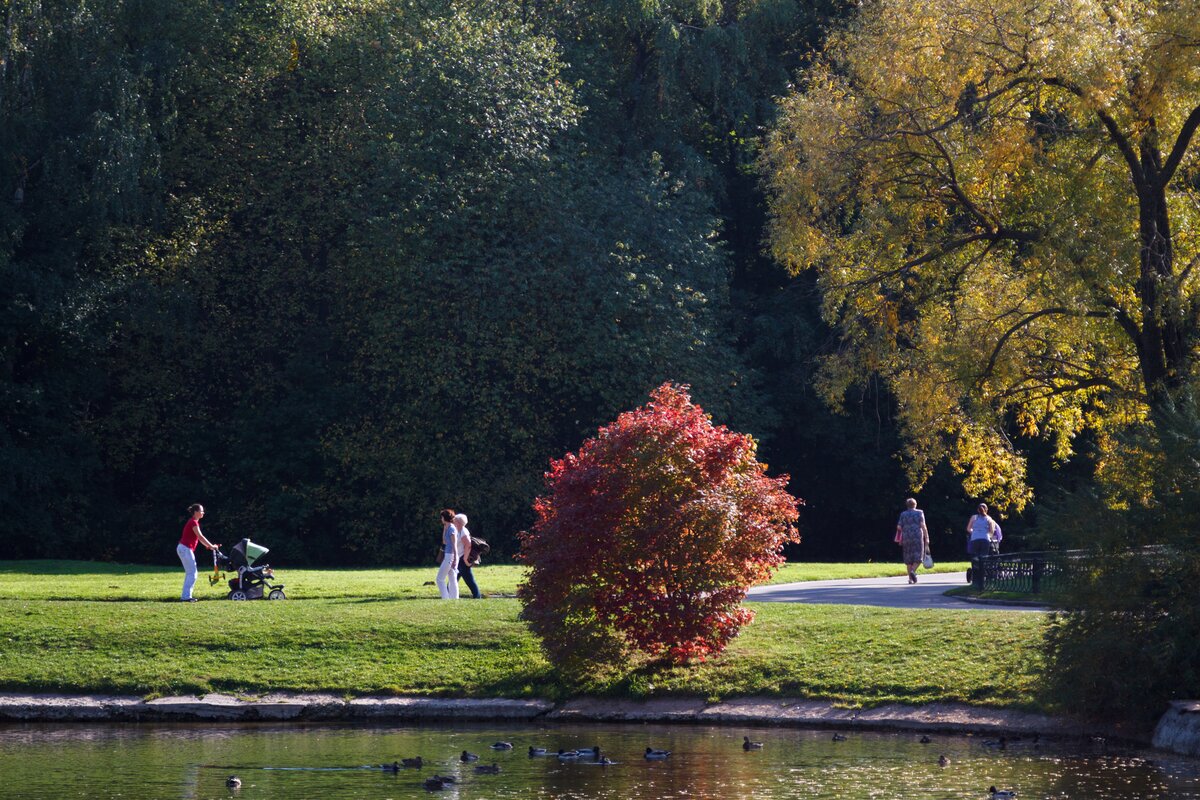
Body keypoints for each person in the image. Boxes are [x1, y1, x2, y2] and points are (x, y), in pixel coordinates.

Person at [178, 503, 219, 602]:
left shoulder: (194, 522)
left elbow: (198, 539)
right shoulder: (193, 522)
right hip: (185, 549)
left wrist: (207, 546)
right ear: (196, 512)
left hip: (184, 549)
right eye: (201, 511)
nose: (203, 513)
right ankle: (185, 597)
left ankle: (186, 596)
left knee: (191, 573)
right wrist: (211, 546)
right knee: (192, 573)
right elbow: (201, 537)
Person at [895, 498, 929, 584]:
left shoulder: (903, 514)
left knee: (908, 559)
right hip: (917, 536)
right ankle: (913, 572)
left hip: (906, 537)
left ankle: (910, 579)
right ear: (915, 504)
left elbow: (899, 527)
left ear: (907, 505)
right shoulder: (919, 512)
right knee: (918, 557)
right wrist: (927, 537)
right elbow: (923, 525)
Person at [966, 502, 999, 583]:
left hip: (974, 539)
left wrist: (974, 532)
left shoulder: (974, 517)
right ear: (986, 510)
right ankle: (982, 576)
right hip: (985, 539)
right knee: (983, 557)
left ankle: (976, 577)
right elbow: (991, 531)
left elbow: (968, 529)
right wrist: (987, 535)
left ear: (978, 510)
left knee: (975, 557)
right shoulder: (989, 519)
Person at [453, 513, 482, 599]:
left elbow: (468, 545)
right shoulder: (458, 530)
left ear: (459, 522)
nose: (453, 521)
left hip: (462, 559)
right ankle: (449, 594)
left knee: (469, 580)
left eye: (455, 520)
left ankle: (477, 596)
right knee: (454, 578)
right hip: (459, 558)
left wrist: (465, 559)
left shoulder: (463, 531)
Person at [436, 508, 460, 599]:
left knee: (439, 579)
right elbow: (444, 542)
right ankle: (454, 599)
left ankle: (445, 599)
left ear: (445, 518)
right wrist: (444, 528)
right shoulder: (448, 527)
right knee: (452, 578)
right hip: (449, 555)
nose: (441, 519)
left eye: (442, 517)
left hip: (450, 556)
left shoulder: (452, 529)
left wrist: (455, 559)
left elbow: (454, 545)